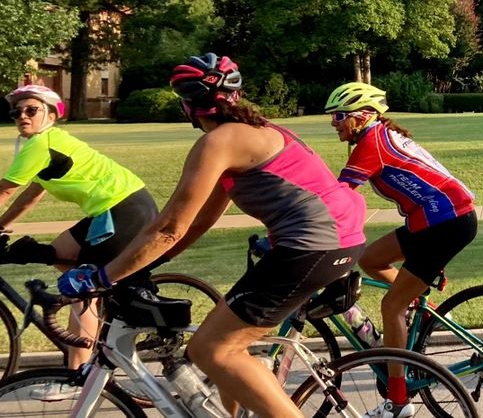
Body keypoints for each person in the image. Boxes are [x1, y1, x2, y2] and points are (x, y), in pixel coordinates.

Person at [59, 54, 366, 418]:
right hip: (332, 242)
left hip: (310, 247)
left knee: (213, 350)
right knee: (219, 342)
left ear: (188, 104)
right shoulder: (253, 131)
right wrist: (153, 262)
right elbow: (201, 219)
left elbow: (169, 227)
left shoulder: (218, 142)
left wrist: (102, 276)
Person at [325, 81, 477, 418]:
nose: (333, 123)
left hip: (445, 223)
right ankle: (424, 307)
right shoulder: (375, 137)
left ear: (363, 116)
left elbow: (339, 196)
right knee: (370, 259)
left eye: (339, 116)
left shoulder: (371, 144)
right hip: (430, 222)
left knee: (390, 305)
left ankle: (398, 402)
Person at [0, 84, 158, 397]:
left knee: (81, 288)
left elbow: (5, 190)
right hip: (111, 211)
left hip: (122, 210)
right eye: (17, 112)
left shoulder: (42, 144)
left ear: (51, 114)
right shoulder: (47, 144)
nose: (22, 116)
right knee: (57, 253)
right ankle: (97, 332)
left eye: (31, 110)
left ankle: (77, 378)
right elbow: (28, 198)